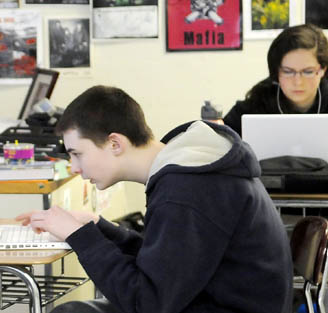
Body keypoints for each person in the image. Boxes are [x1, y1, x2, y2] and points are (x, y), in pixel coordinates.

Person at [17, 85, 292, 313]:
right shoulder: (188, 171)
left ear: (115, 144)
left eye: (77, 154)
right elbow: (169, 263)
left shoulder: (187, 190)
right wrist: (97, 227)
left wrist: (80, 236)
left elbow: (146, 303)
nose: (75, 168)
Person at [223, 24, 328, 136]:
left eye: (308, 72)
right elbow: (222, 136)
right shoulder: (260, 100)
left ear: (323, 69)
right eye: (288, 71)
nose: (298, 82)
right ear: (276, 71)